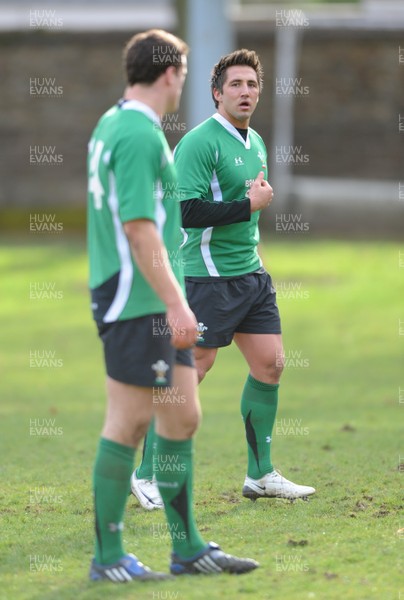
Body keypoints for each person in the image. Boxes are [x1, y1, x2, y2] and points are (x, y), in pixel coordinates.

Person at [87, 30, 259, 582]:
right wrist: (175, 304)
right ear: (170, 74)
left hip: (153, 297)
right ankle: (109, 558)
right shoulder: (138, 134)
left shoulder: (118, 122)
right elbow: (139, 230)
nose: (184, 81)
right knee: (130, 421)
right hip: (138, 299)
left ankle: (187, 550)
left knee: (182, 414)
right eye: (183, 72)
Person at [131, 48, 315, 511]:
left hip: (250, 275)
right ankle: (147, 473)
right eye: (235, 84)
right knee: (193, 371)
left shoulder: (255, 143)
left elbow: (247, 219)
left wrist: (259, 257)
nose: (245, 92)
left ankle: (260, 475)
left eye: (252, 84)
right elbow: (186, 212)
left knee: (271, 364)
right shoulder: (198, 142)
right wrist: (248, 206)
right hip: (207, 277)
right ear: (217, 92)